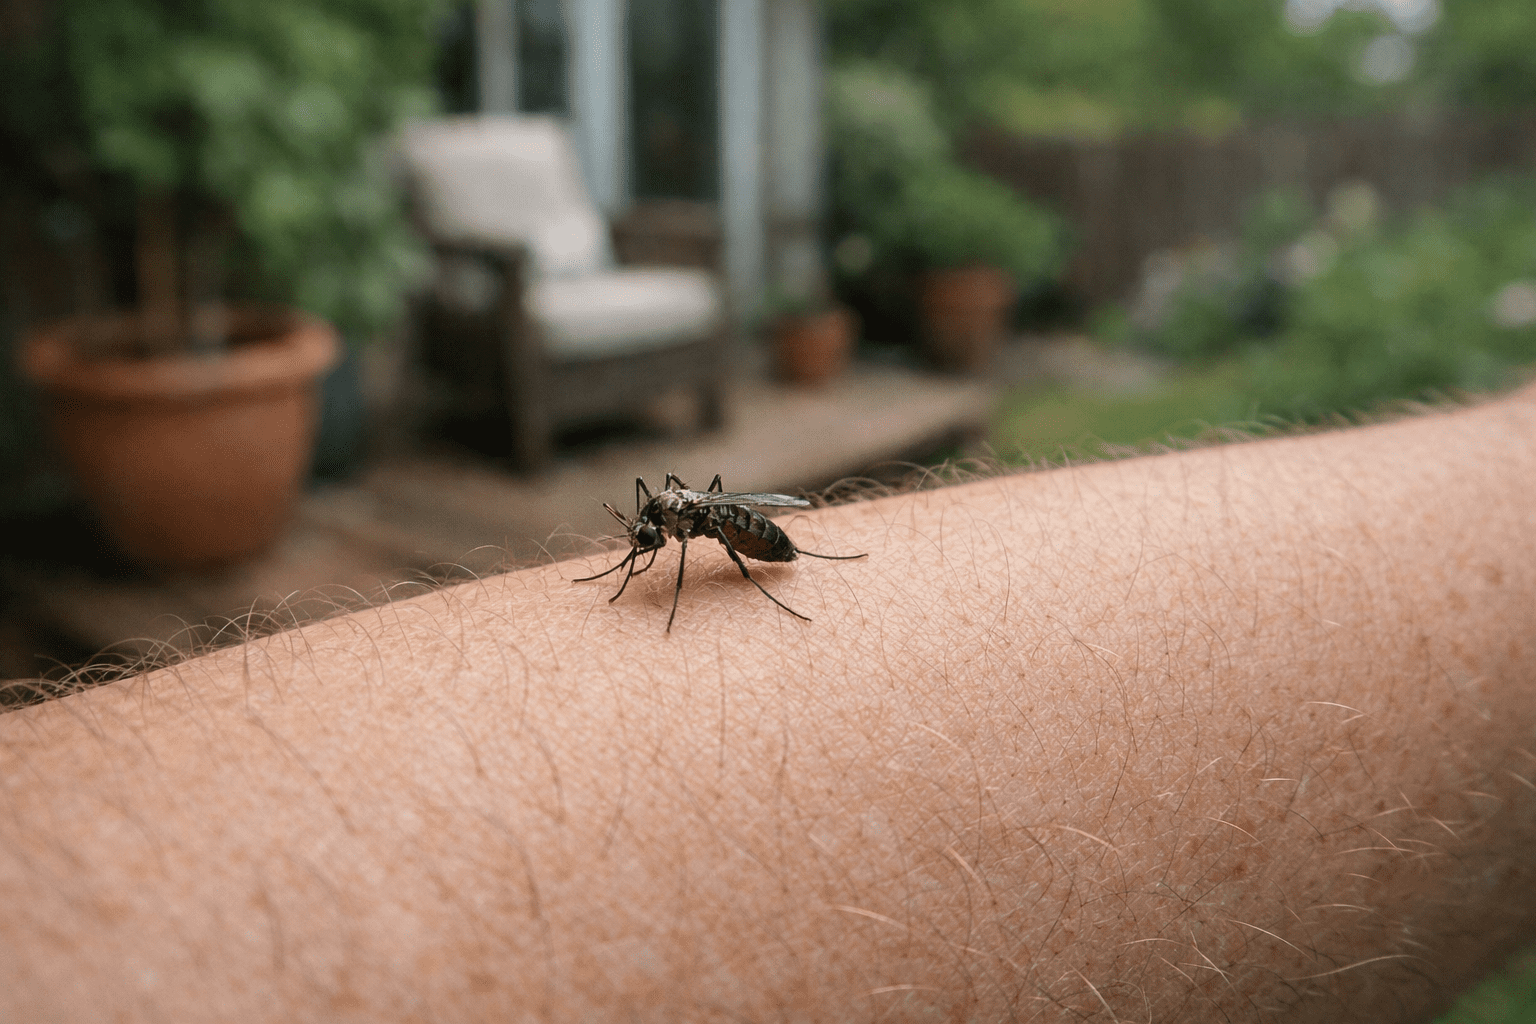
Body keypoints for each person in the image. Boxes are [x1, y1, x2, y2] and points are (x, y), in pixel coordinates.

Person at [2, 385, 1534, 1023]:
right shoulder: (670, 519)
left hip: (786, 532)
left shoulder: (709, 530)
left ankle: (799, 569)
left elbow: (719, 524)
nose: (650, 539)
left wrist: (766, 553)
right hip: (765, 524)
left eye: (654, 533)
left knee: (743, 553)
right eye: (661, 534)